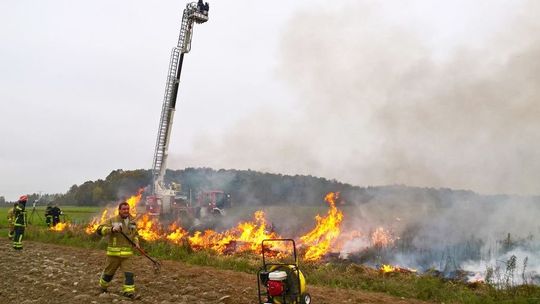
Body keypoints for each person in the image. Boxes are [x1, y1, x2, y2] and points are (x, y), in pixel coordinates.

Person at [96, 201, 140, 298]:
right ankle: (102, 286)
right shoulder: (112, 220)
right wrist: (111, 229)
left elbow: (135, 234)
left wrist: (136, 242)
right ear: (119, 210)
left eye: (127, 209)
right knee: (108, 274)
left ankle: (129, 292)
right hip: (113, 254)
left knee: (129, 274)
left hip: (127, 255)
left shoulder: (133, 221)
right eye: (124, 209)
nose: (126, 211)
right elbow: (99, 230)